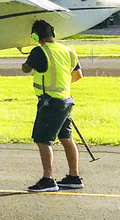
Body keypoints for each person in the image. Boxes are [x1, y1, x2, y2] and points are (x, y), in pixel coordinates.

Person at [21, 19, 84, 192]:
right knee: (66, 138)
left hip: (49, 102)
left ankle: (48, 179)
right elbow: (78, 75)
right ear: (53, 34)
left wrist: (26, 63)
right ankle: (74, 176)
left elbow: (26, 68)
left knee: (43, 139)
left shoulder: (39, 51)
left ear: (35, 36)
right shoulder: (68, 50)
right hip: (66, 100)